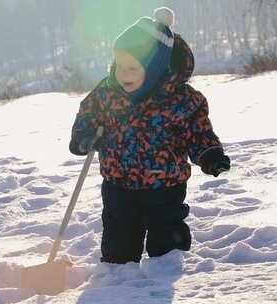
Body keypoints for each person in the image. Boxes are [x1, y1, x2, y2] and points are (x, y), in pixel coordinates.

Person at [68, 7, 231, 264]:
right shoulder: (107, 93)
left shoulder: (181, 100)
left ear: (155, 68)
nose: (123, 74)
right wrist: (83, 136)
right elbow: (88, 115)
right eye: (119, 66)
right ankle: (116, 279)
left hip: (165, 186)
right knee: (118, 244)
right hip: (118, 184)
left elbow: (198, 132)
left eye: (132, 68)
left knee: (166, 243)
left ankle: (165, 272)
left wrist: (209, 154)